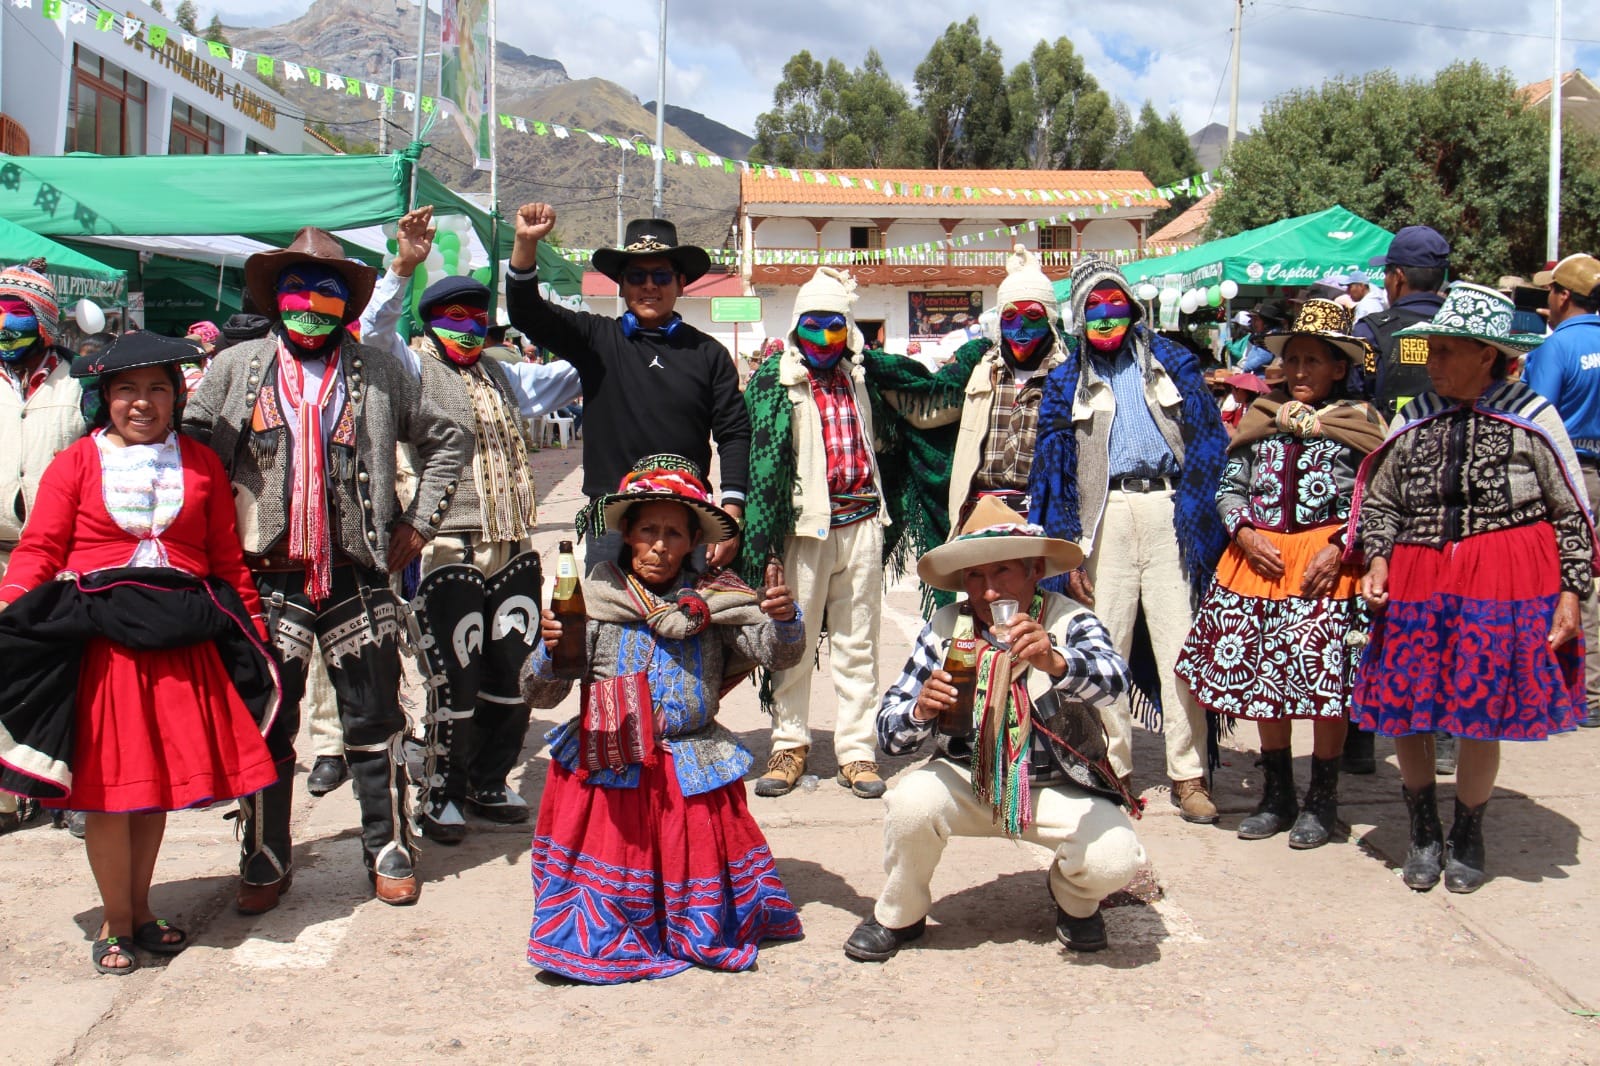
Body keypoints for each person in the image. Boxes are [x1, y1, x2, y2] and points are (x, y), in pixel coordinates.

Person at [184, 226, 470, 911]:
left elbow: (447, 434)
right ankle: (263, 854)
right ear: (275, 298)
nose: (311, 304)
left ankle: (389, 846)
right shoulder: (236, 366)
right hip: (264, 574)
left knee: (373, 718)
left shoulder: (379, 367)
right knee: (268, 720)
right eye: (297, 290)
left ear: (347, 302)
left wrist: (418, 521)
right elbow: (195, 447)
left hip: (357, 568)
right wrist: (208, 541)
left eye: (327, 291)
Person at [0, 332, 280, 973]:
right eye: (127, 390)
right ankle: (115, 921)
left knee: (151, 792)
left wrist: (253, 629)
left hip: (181, 644)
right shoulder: (76, 463)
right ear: (106, 399)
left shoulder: (203, 466)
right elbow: (41, 547)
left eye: (158, 388)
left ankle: (142, 908)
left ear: (177, 396)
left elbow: (224, 560)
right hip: (105, 650)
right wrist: (14, 603)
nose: (143, 403)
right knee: (108, 793)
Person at [519, 456, 806, 982]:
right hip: (610, 761)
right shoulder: (596, 601)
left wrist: (784, 619)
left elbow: (774, 652)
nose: (660, 544)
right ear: (627, 533)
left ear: (694, 540)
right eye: (648, 529)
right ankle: (599, 932)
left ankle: (685, 921)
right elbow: (541, 693)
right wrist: (549, 650)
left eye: (675, 533)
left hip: (688, 761)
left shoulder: (715, 603)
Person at [1350, 283, 1592, 894]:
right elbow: (1380, 500)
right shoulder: (1413, 417)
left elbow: (1571, 510)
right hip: (1419, 574)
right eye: (1429, 348)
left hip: (1505, 578)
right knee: (1408, 706)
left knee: (1479, 711)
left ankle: (1469, 831)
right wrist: (1377, 558)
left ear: (1487, 353)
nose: (1431, 360)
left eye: (1446, 349)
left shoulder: (1533, 416)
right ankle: (1424, 829)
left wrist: (1571, 593)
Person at [843, 498, 1144, 962]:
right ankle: (900, 915)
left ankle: (1075, 902)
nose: (987, 592)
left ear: (1035, 570)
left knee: (1116, 858)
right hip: (969, 778)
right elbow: (889, 734)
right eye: (975, 576)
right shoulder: (947, 626)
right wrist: (921, 711)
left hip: (1057, 787)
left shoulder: (1068, 621)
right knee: (909, 805)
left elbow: (1115, 682)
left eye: (1002, 571)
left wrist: (1056, 661)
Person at [1177, 300, 1386, 847]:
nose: (1298, 372)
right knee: (1265, 684)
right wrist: (1243, 531)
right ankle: (1277, 796)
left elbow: (1376, 497)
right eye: (1292, 360)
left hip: (1327, 567)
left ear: (1339, 368)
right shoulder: (1262, 417)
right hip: (1260, 565)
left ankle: (1322, 801)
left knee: (1323, 687)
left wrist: (1343, 546)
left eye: (1312, 361)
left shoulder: (1360, 424)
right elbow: (1229, 484)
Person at [1031, 256, 1231, 823]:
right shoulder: (1066, 379)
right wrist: (1067, 547)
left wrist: (1200, 512)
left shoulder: (1172, 362)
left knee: (1180, 645)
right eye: (1093, 305)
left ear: (1133, 307)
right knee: (1105, 645)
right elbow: (1053, 473)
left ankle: (1189, 776)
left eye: (1115, 301)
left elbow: (1209, 439)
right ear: (1077, 318)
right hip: (1105, 518)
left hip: (1172, 513)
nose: (1106, 314)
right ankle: (1112, 769)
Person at [505, 204, 750, 568]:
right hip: (612, 523)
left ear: (681, 283)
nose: (649, 286)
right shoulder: (596, 340)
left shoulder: (708, 353)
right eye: (637, 276)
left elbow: (734, 433)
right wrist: (525, 243)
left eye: (662, 276)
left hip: (687, 522)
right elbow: (527, 314)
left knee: (688, 623)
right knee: (604, 624)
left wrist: (732, 512)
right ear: (621, 284)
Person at [739, 268, 893, 800]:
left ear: (848, 329)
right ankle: (788, 745)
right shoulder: (774, 382)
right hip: (805, 531)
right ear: (796, 326)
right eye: (813, 325)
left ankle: (857, 751)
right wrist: (766, 550)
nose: (825, 337)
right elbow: (763, 471)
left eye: (835, 325)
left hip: (863, 523)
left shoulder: (860, 377)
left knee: (859, 644)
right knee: (794, 643)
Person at [0, 263, 88, 835]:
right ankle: (8, 796)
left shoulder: (78, 385)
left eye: (17, 315)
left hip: (60, 557)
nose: (6, 326)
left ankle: (72, 790)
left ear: (45, 322)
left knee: (66, 673)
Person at [1524, 253, 1600, 730]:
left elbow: (1535, 415)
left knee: (1571, 581)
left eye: (1549, 290)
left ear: (1563, 295)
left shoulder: (1557, 347)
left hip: (1570, 475)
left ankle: (1581, 695)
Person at [1354, 225, 1451, 420]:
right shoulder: (1463, 331)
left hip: (1384, 443)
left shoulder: (1370, 331)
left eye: (1385, 273)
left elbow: (1354, 393)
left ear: (1398, 276)